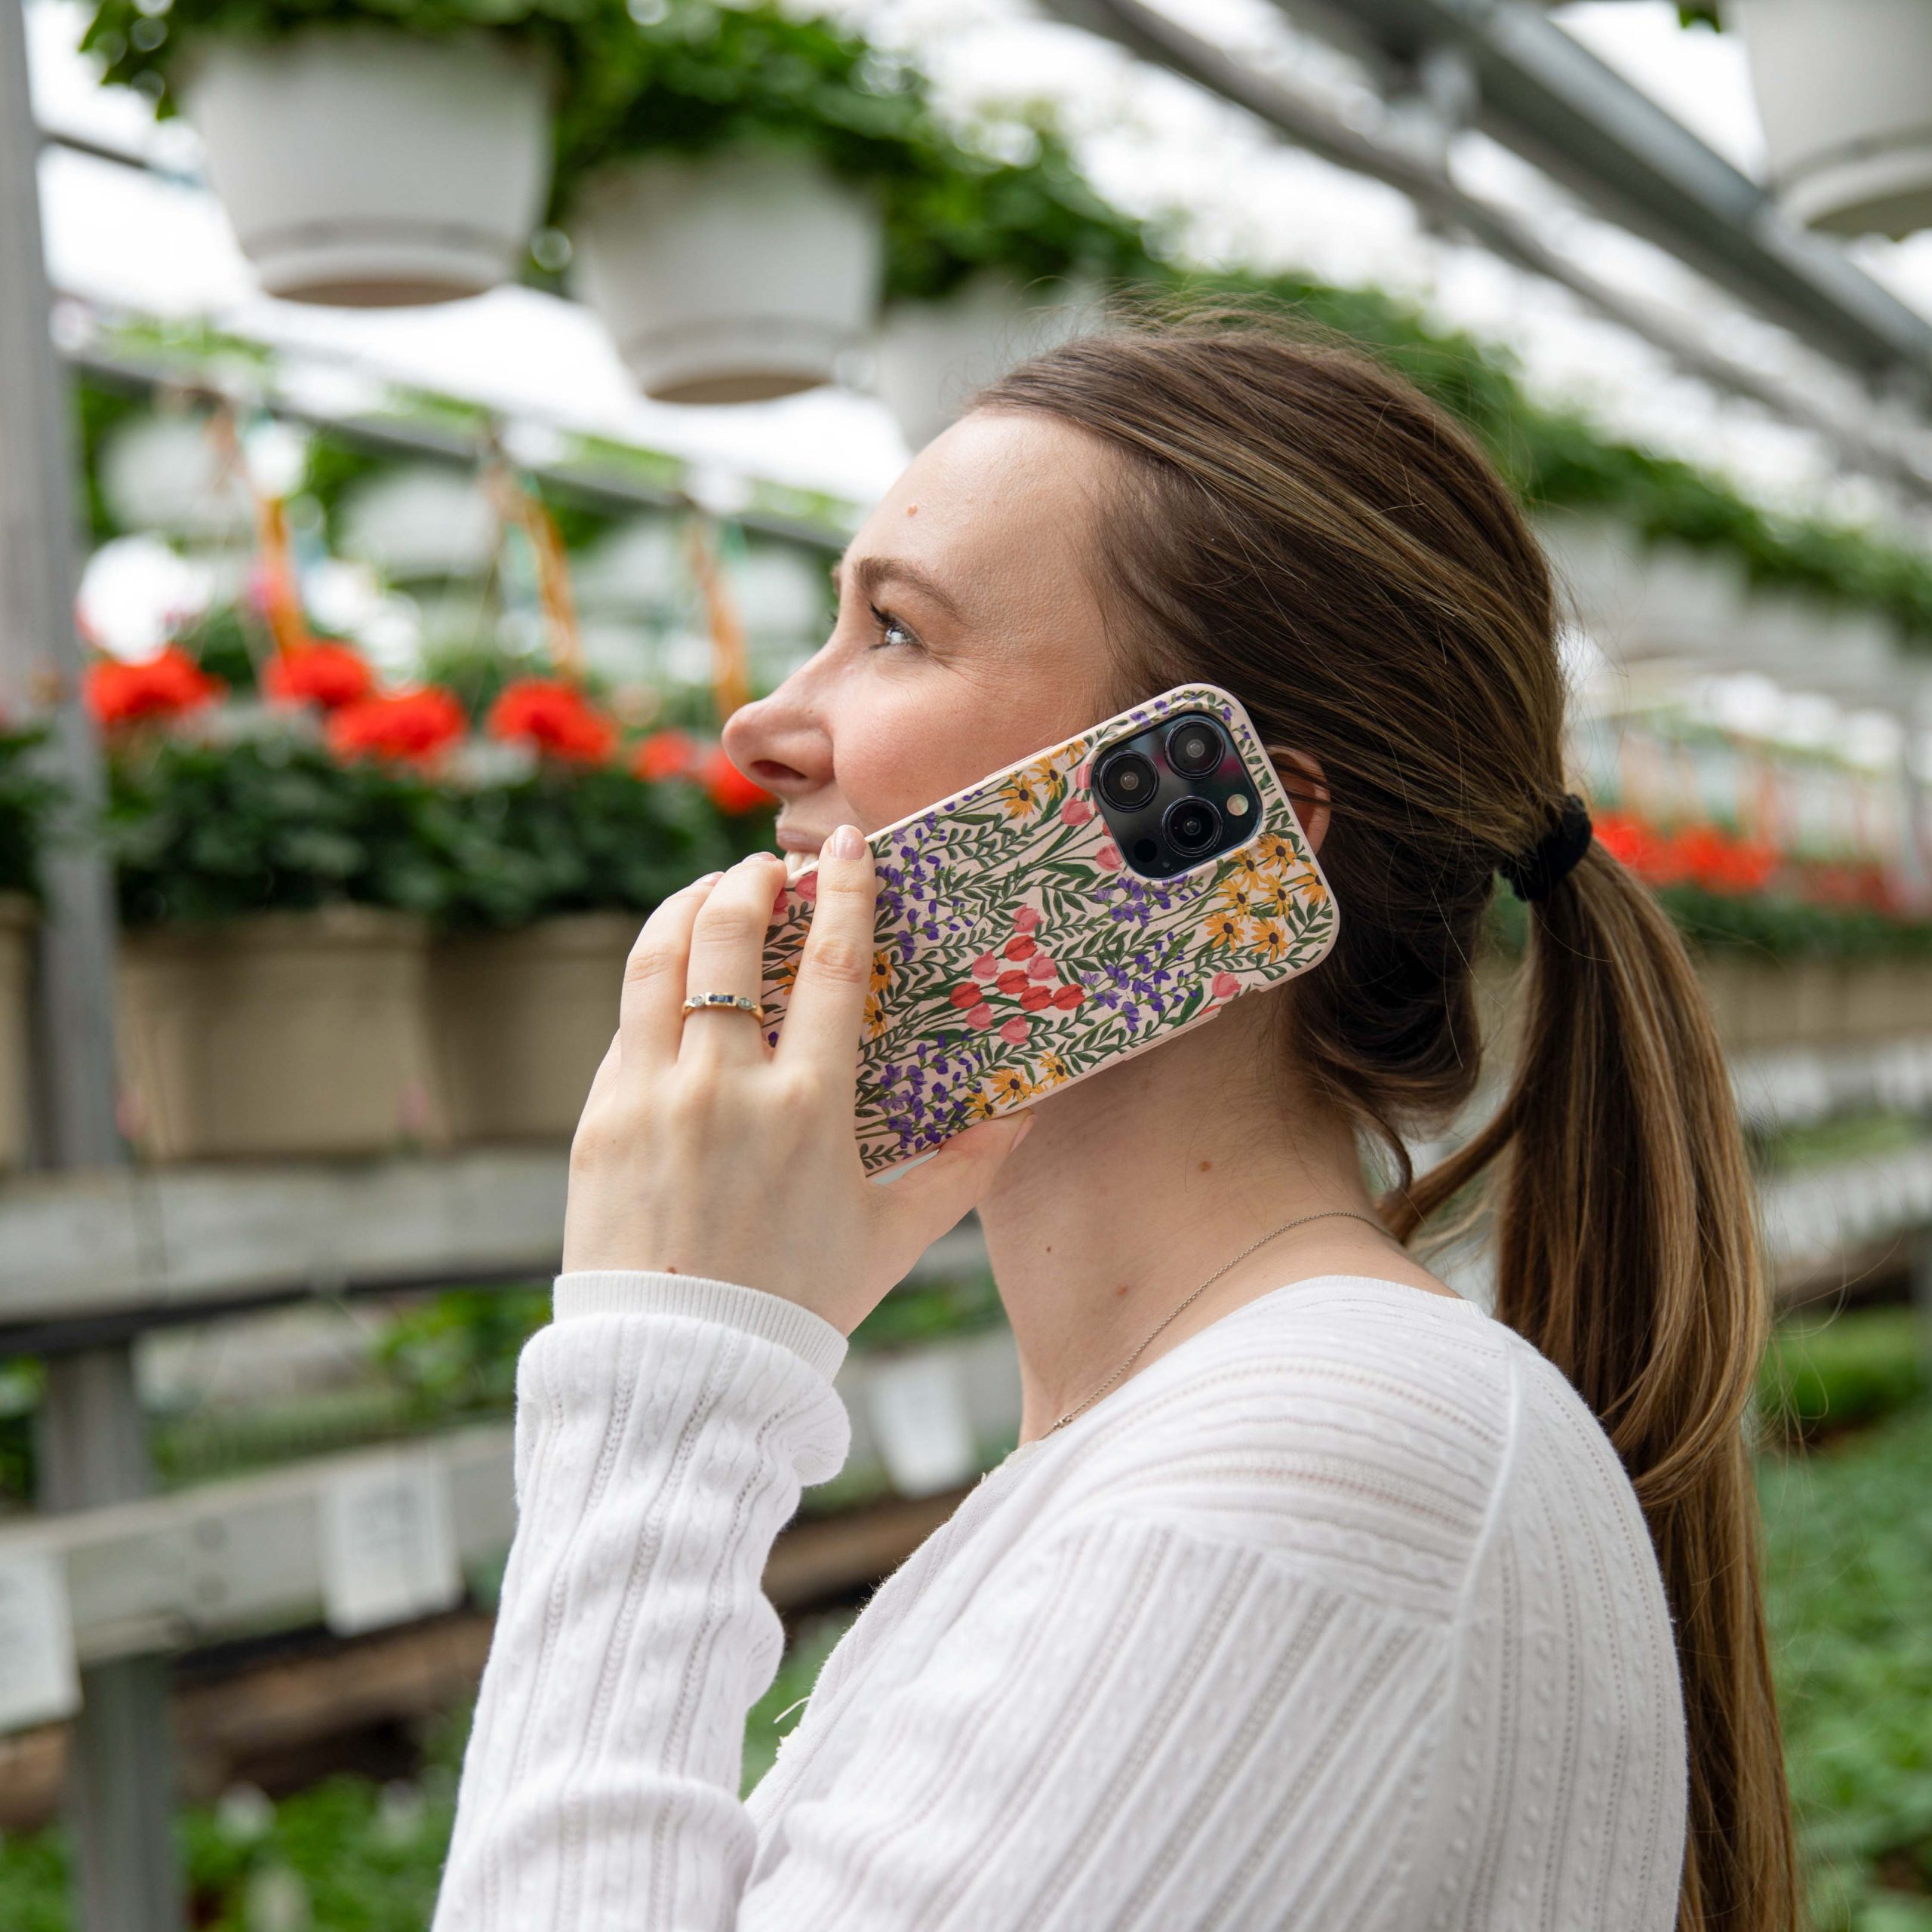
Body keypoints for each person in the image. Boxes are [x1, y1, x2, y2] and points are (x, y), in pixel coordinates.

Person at [429, 318, 1796, 1932]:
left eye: (892, 632)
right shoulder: (1210, 1435)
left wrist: (666, 1375)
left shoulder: (1325, 1457)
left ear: (1204, 825)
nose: (764, 726)